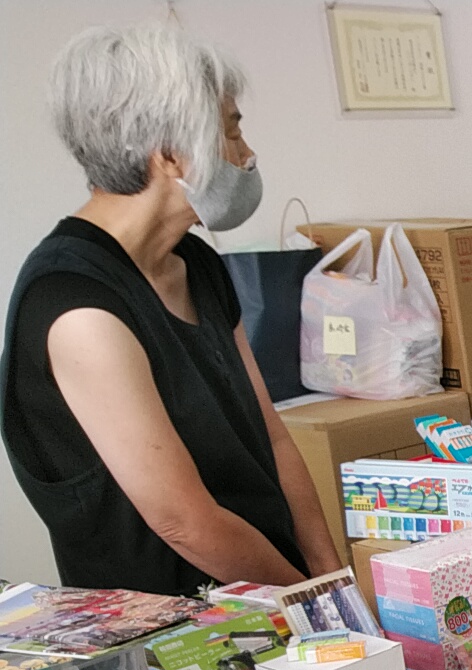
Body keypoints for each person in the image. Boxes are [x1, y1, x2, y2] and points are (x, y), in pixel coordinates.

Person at [2, 23, 339, 596]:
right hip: (168, 638)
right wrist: (310, 602)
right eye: (232, 133)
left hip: (267, 594)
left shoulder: (195, 263)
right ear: (170, 154)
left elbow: (271, 435)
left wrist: (333, 580)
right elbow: (182, 521)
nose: (247, 154)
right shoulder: (75, 304)